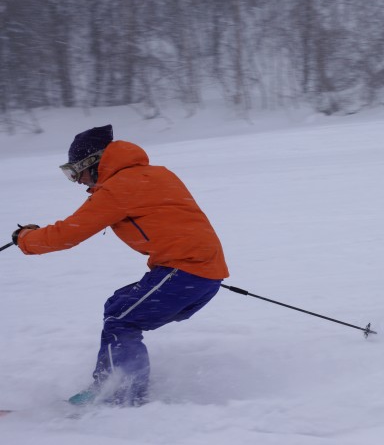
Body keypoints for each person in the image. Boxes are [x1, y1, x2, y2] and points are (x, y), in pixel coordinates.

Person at [11, 125, 229, 406]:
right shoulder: (156, 174)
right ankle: (116, 384)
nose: (77, 181)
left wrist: (25, 238)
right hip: (196, 272)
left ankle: (121, 394)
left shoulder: (119, 188)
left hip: (185, 271)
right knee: (118, 304)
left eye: (76, 172)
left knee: (121, 319)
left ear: (95, 163)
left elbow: (68, 234)